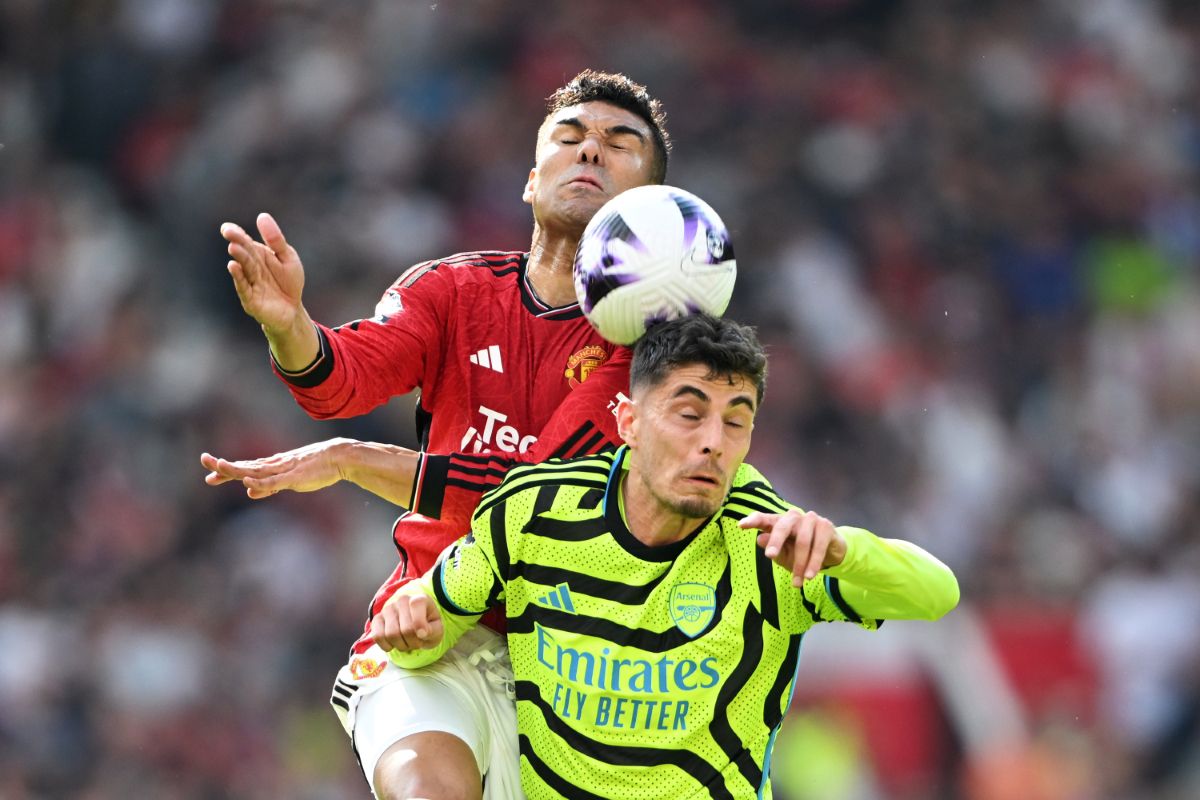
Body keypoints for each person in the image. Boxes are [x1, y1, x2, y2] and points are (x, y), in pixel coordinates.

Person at [209, 70, 671, 799]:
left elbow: (535, 503)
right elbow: (340, 382)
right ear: (530, 179)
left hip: (579, 667)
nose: (590, 153)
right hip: (429, 628)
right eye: (571, 137)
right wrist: (290, 325)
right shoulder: (453, 290)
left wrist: (356, 461)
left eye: (620, 144)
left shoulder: (654, 348)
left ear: (653, 204)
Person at [381, 314, 961, 799]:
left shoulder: (770, 545)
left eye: (736, 421)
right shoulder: (534, 514)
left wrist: (844, 551)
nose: (713, 440)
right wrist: (411, 619)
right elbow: (431, 628)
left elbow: (938, 594)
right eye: (690, 414)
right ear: (628, 423)